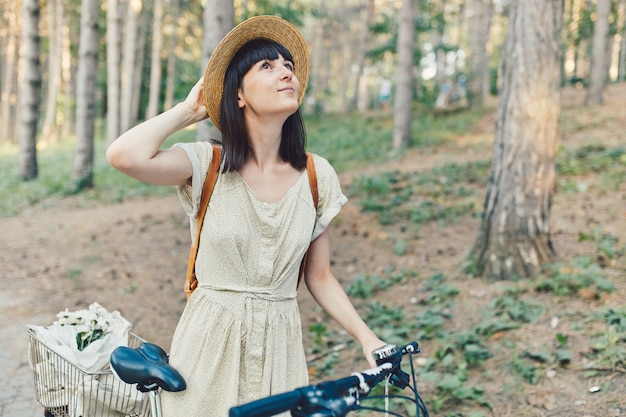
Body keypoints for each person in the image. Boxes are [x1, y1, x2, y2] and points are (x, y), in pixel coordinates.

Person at [106, 15, 385, 416]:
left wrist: (367, 338)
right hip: (208, 350)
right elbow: (123, 156)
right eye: (267, 66)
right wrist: (188, 111)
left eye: (288, 65)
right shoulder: (207, 164)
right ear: (238, 95)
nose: (286, 72)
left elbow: (319, 277)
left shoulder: (316, 176)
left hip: (280, 352)